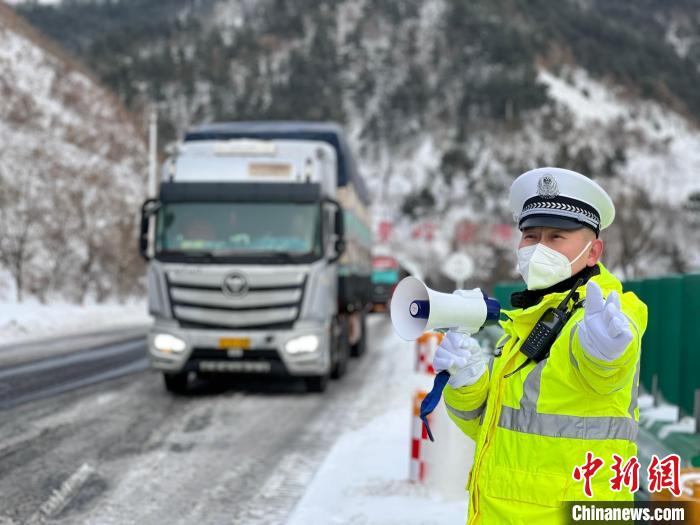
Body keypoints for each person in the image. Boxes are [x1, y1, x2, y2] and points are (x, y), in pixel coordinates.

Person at [434, 167, 648, 524]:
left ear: (593, 251)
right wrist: (467, 385)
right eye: (530, 236)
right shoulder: (528, 320)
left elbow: (605, 366)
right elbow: (494, 432)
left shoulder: (605, 316)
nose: (538, 249)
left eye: (556, 237)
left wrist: (605, 354)